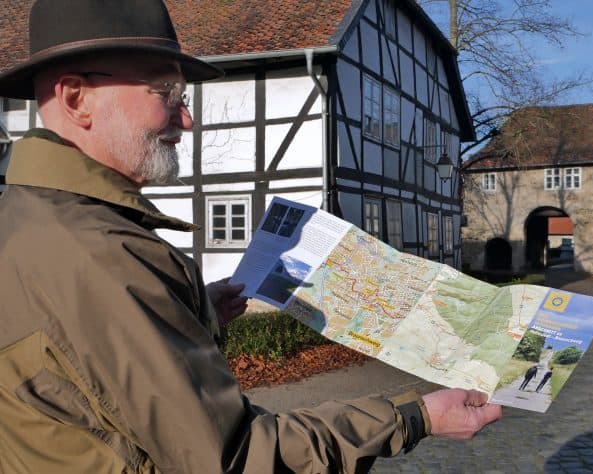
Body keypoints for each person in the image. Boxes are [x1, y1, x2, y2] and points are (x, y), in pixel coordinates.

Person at [0, 1, 501, 473]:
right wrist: (415, 416)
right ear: (75, 97)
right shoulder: (98, 255)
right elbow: (237, 458)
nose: (186, 119)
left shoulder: (30, 218)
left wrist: (191, 313)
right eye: (166, 95)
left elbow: (78, 377)